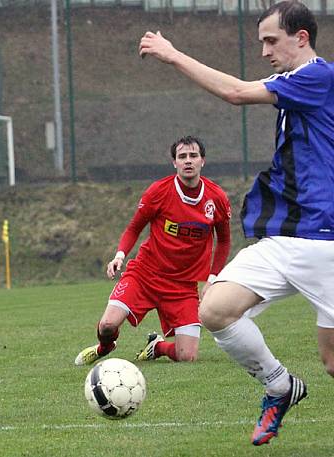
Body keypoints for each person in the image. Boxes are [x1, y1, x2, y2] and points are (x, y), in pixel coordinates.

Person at [140, 0, 333, 445]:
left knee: (332, 362)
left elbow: (235, 92)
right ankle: (279, 386)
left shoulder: (318, 76)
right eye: (262, 41)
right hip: (282, 238)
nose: (265, 50)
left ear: (301, 37)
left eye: (272, 40)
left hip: (326, 242)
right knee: (214, 309)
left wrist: (172, 54)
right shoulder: (296, 84)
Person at [74, 136, 231, 366]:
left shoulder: (216, 198)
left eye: (193, 156)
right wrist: (119, 256)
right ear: (174, 162)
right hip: (145, 275)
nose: (188, 161)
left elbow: (224, 242)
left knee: (187, 356)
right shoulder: (159, 191)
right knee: (107, 325)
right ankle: (103, 347)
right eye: (182, 156)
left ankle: (156, 347)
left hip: (182, 286)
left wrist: (212, 278)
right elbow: (134, 228)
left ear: (202, 161)